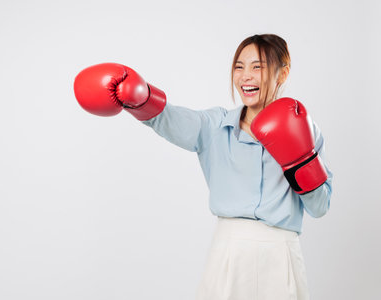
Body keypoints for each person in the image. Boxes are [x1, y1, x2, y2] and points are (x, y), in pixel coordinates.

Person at [73, 33, 333, 300]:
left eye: (258, 67)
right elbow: (169, 118)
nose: (246, 76)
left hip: (282, 253)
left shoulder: (307, 132)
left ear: (282, 74)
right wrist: (139, 97)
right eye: (239, 66)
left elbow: (319, 207)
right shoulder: (215, 126)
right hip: (229, 252)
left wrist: (300, 157)